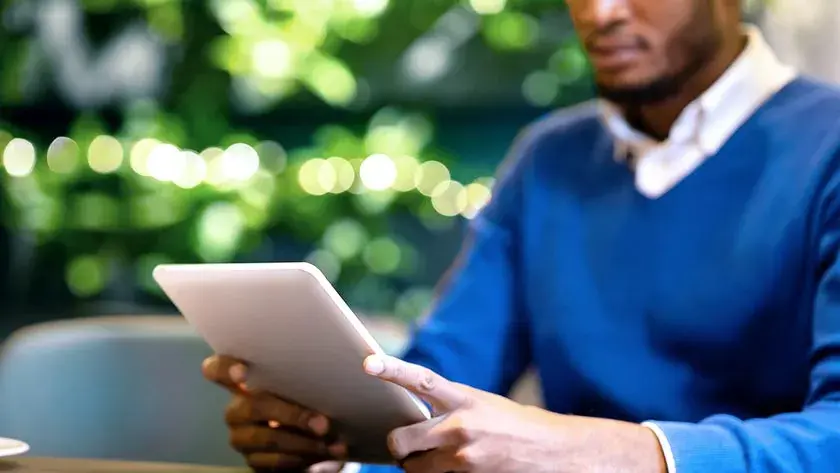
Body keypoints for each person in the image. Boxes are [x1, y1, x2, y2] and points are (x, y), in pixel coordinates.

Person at [203, 0, 840, 472]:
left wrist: (608, 451)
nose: (600, 13)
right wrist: (335, 443)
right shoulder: (549, 159)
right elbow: (440, 377)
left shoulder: (826, 146)